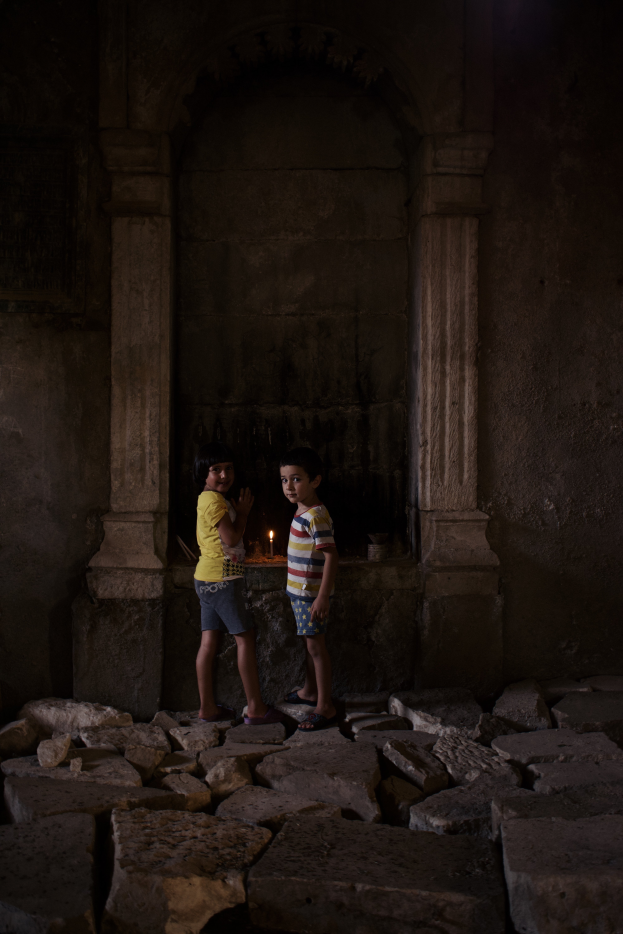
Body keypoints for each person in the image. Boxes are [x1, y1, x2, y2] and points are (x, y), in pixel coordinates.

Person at [193, 441, 284, 725]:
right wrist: (243, 513)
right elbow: (231, 539)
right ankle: (255, 707)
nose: (224, 475)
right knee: (245, 638)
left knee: (208, 642)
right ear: (203, 474)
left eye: (228, 468)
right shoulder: (214, 501)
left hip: (206, 578)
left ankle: (207, 708)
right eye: (216, 469)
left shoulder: (206, 499)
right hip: (224, 578)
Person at [279, 447, 339, 731]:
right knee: (308, 642)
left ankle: (324, 706)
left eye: (296, 479)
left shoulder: (315, 516)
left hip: (311, 596)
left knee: (316, 647)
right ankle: (309, 691)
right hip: (299, 594)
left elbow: (331, 556)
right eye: (284, 480)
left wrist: (322, 596)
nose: (289, 487)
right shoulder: (301, 511)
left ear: (315, 480)